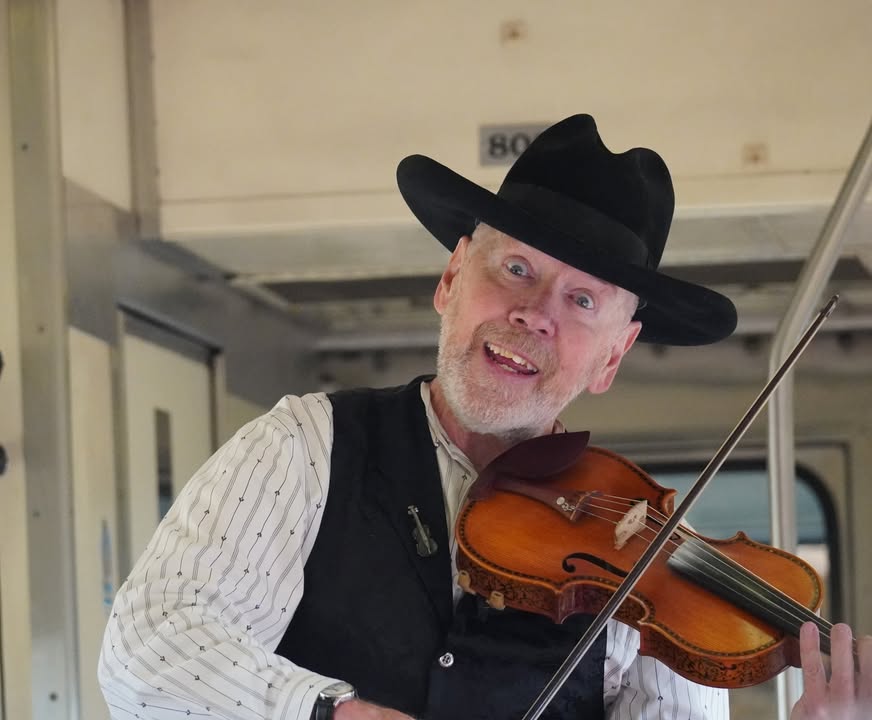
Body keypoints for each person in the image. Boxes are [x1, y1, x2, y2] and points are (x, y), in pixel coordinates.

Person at [99, 114, 870, 719]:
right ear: (450, 279)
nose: (536, 313)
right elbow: (144, 650)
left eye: (582, 300)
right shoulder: (305, 448)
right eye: (517, 269)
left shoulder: (647, 567)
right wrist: (325, 712)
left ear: (614, 355)